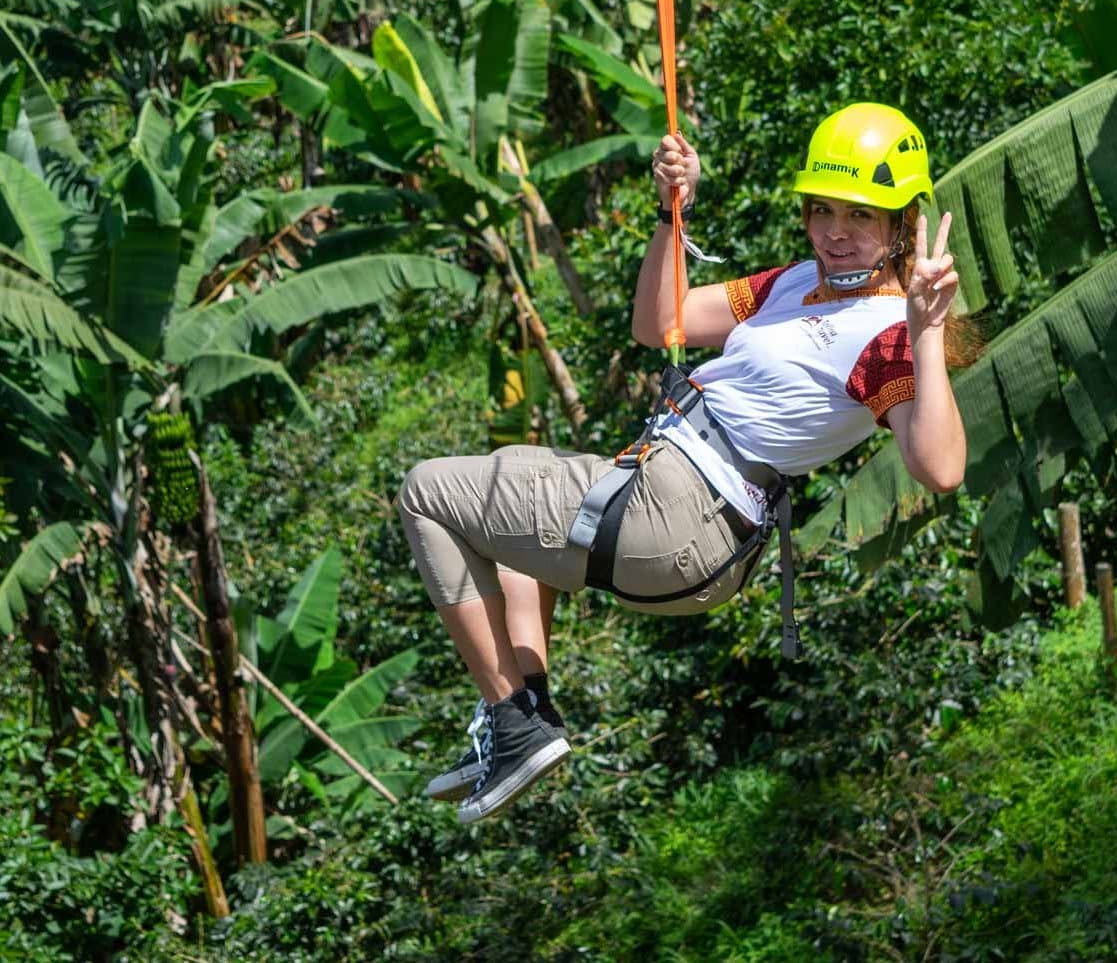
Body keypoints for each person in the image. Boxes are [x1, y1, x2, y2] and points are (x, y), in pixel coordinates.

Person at [395, 103, 975, 823]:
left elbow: (941, 466)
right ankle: (527, 716)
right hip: (669, 504)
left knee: (426, 492)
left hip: (681, 510)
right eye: (821, 210)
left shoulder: (887, 334)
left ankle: (510, 719)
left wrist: (926, 329)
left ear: (901, 223)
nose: (835, 232)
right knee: (509, 523)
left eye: (859, 215)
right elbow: (660, 322)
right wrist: (674, 213)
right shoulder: (793, 283)